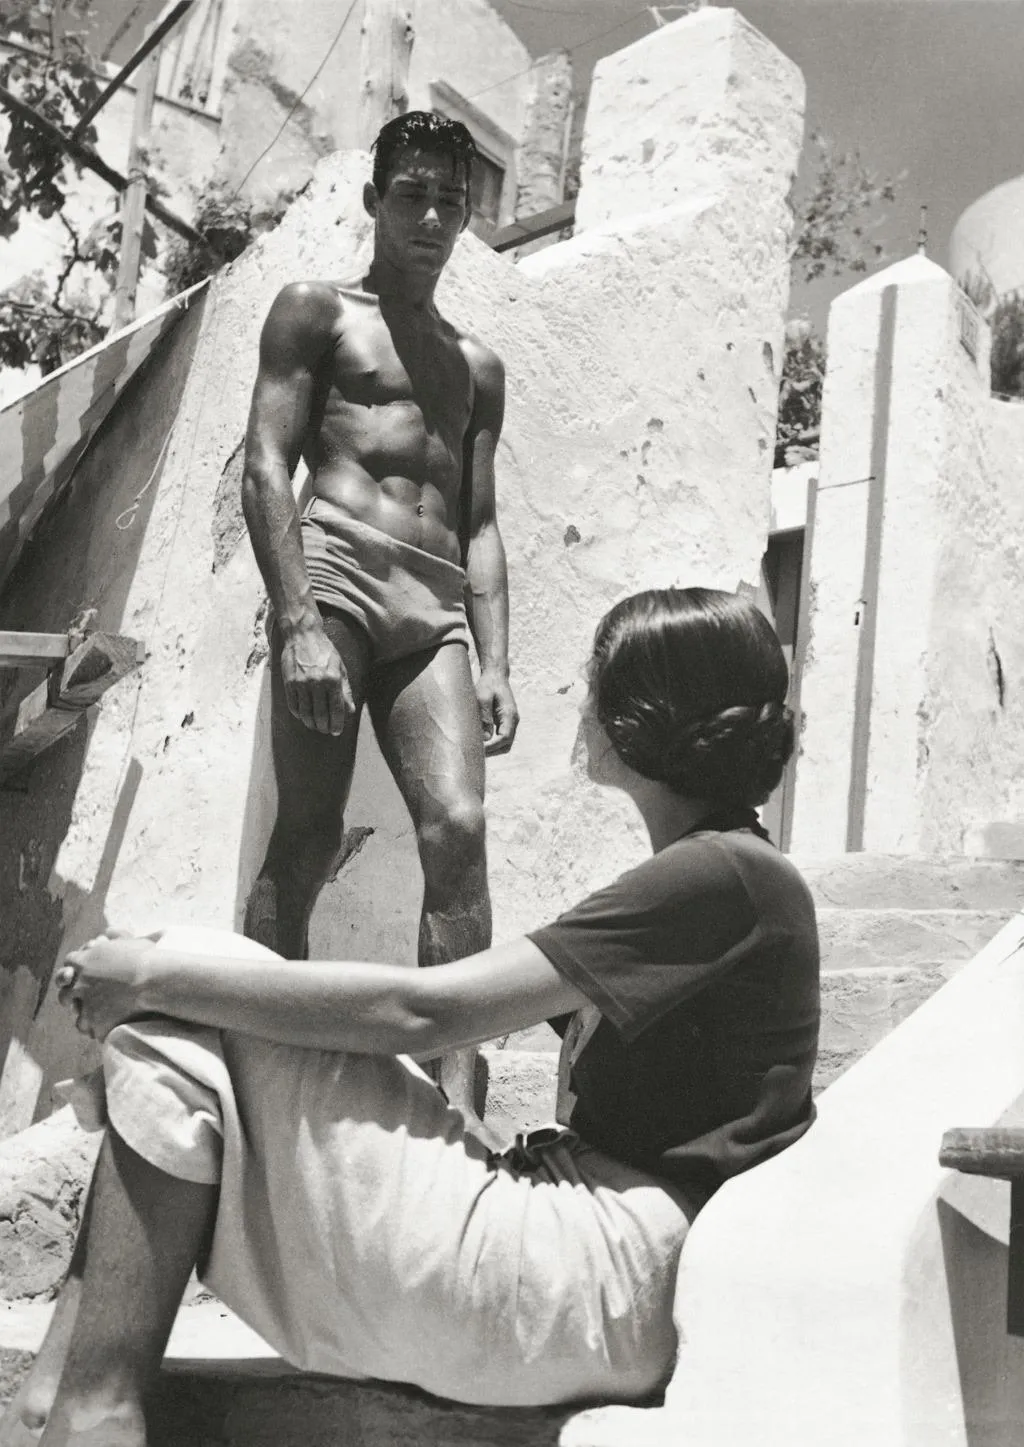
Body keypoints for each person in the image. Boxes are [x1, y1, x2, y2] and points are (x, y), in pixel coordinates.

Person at [1, 588, 820, 1447]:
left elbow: (425, 1010)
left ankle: (90, 1412)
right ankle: (58, 1405)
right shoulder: (718, 878)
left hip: (594, 1277)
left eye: (597, 684)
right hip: (593, 1274)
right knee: (175, 1024)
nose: (580, 703)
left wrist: (153, 972)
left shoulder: (722, 876)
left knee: (190, 985)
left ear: (645, 718)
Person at [240, 110, 518, 1133]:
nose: (434, 216)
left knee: (460, 827)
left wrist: (496, 659)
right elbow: (267, 462)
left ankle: (454, 1104)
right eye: (413, 194)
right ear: (373, 201)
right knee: (307, 831)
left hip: (431, 600)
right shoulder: (316, 312)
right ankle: (260, 1070)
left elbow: (480, 521)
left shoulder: (477, 366)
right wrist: (296, 617)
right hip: (337, 574)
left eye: (452, 200)